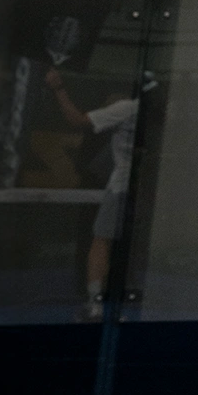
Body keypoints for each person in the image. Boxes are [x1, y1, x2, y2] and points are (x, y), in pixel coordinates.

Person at [46, 68, 138, 319]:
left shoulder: (127, 109)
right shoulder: (158, 113)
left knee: (101, 242)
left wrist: (58, 88)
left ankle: (96, 305)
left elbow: (76, 119)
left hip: (122, 188)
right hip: (147, 192)